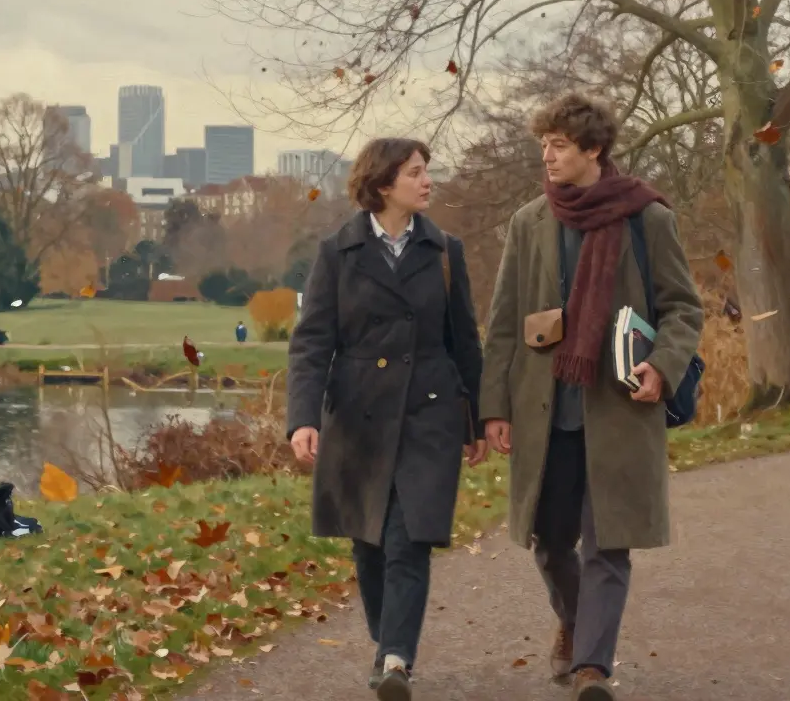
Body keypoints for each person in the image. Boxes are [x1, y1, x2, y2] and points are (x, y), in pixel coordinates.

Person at [478, 92, 703, 701]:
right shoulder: (530, 221)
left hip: (619, 409)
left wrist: (663, 364)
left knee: (608, 544)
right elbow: (503, 323)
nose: (546, 157)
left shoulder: (646, 219)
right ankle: (578, 627)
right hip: (544, 412)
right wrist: (494, 407)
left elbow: (683, 307)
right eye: (542, 146)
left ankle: (592, 667)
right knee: (550, 542)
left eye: (557, 146)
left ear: (593, 150)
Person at [287, 137, 486, 700]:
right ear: (382, 184)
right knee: (368, 545)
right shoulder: (337, 252)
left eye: (427, 172)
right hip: (357, 418)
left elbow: (464, 342)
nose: (428, 182)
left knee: (409, 538)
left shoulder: (445, 251)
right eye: (416, 173)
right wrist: (304, 419)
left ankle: (396, 660)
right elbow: (311, 344)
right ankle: (388, 643)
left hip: (430, 416)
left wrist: (479, 419)